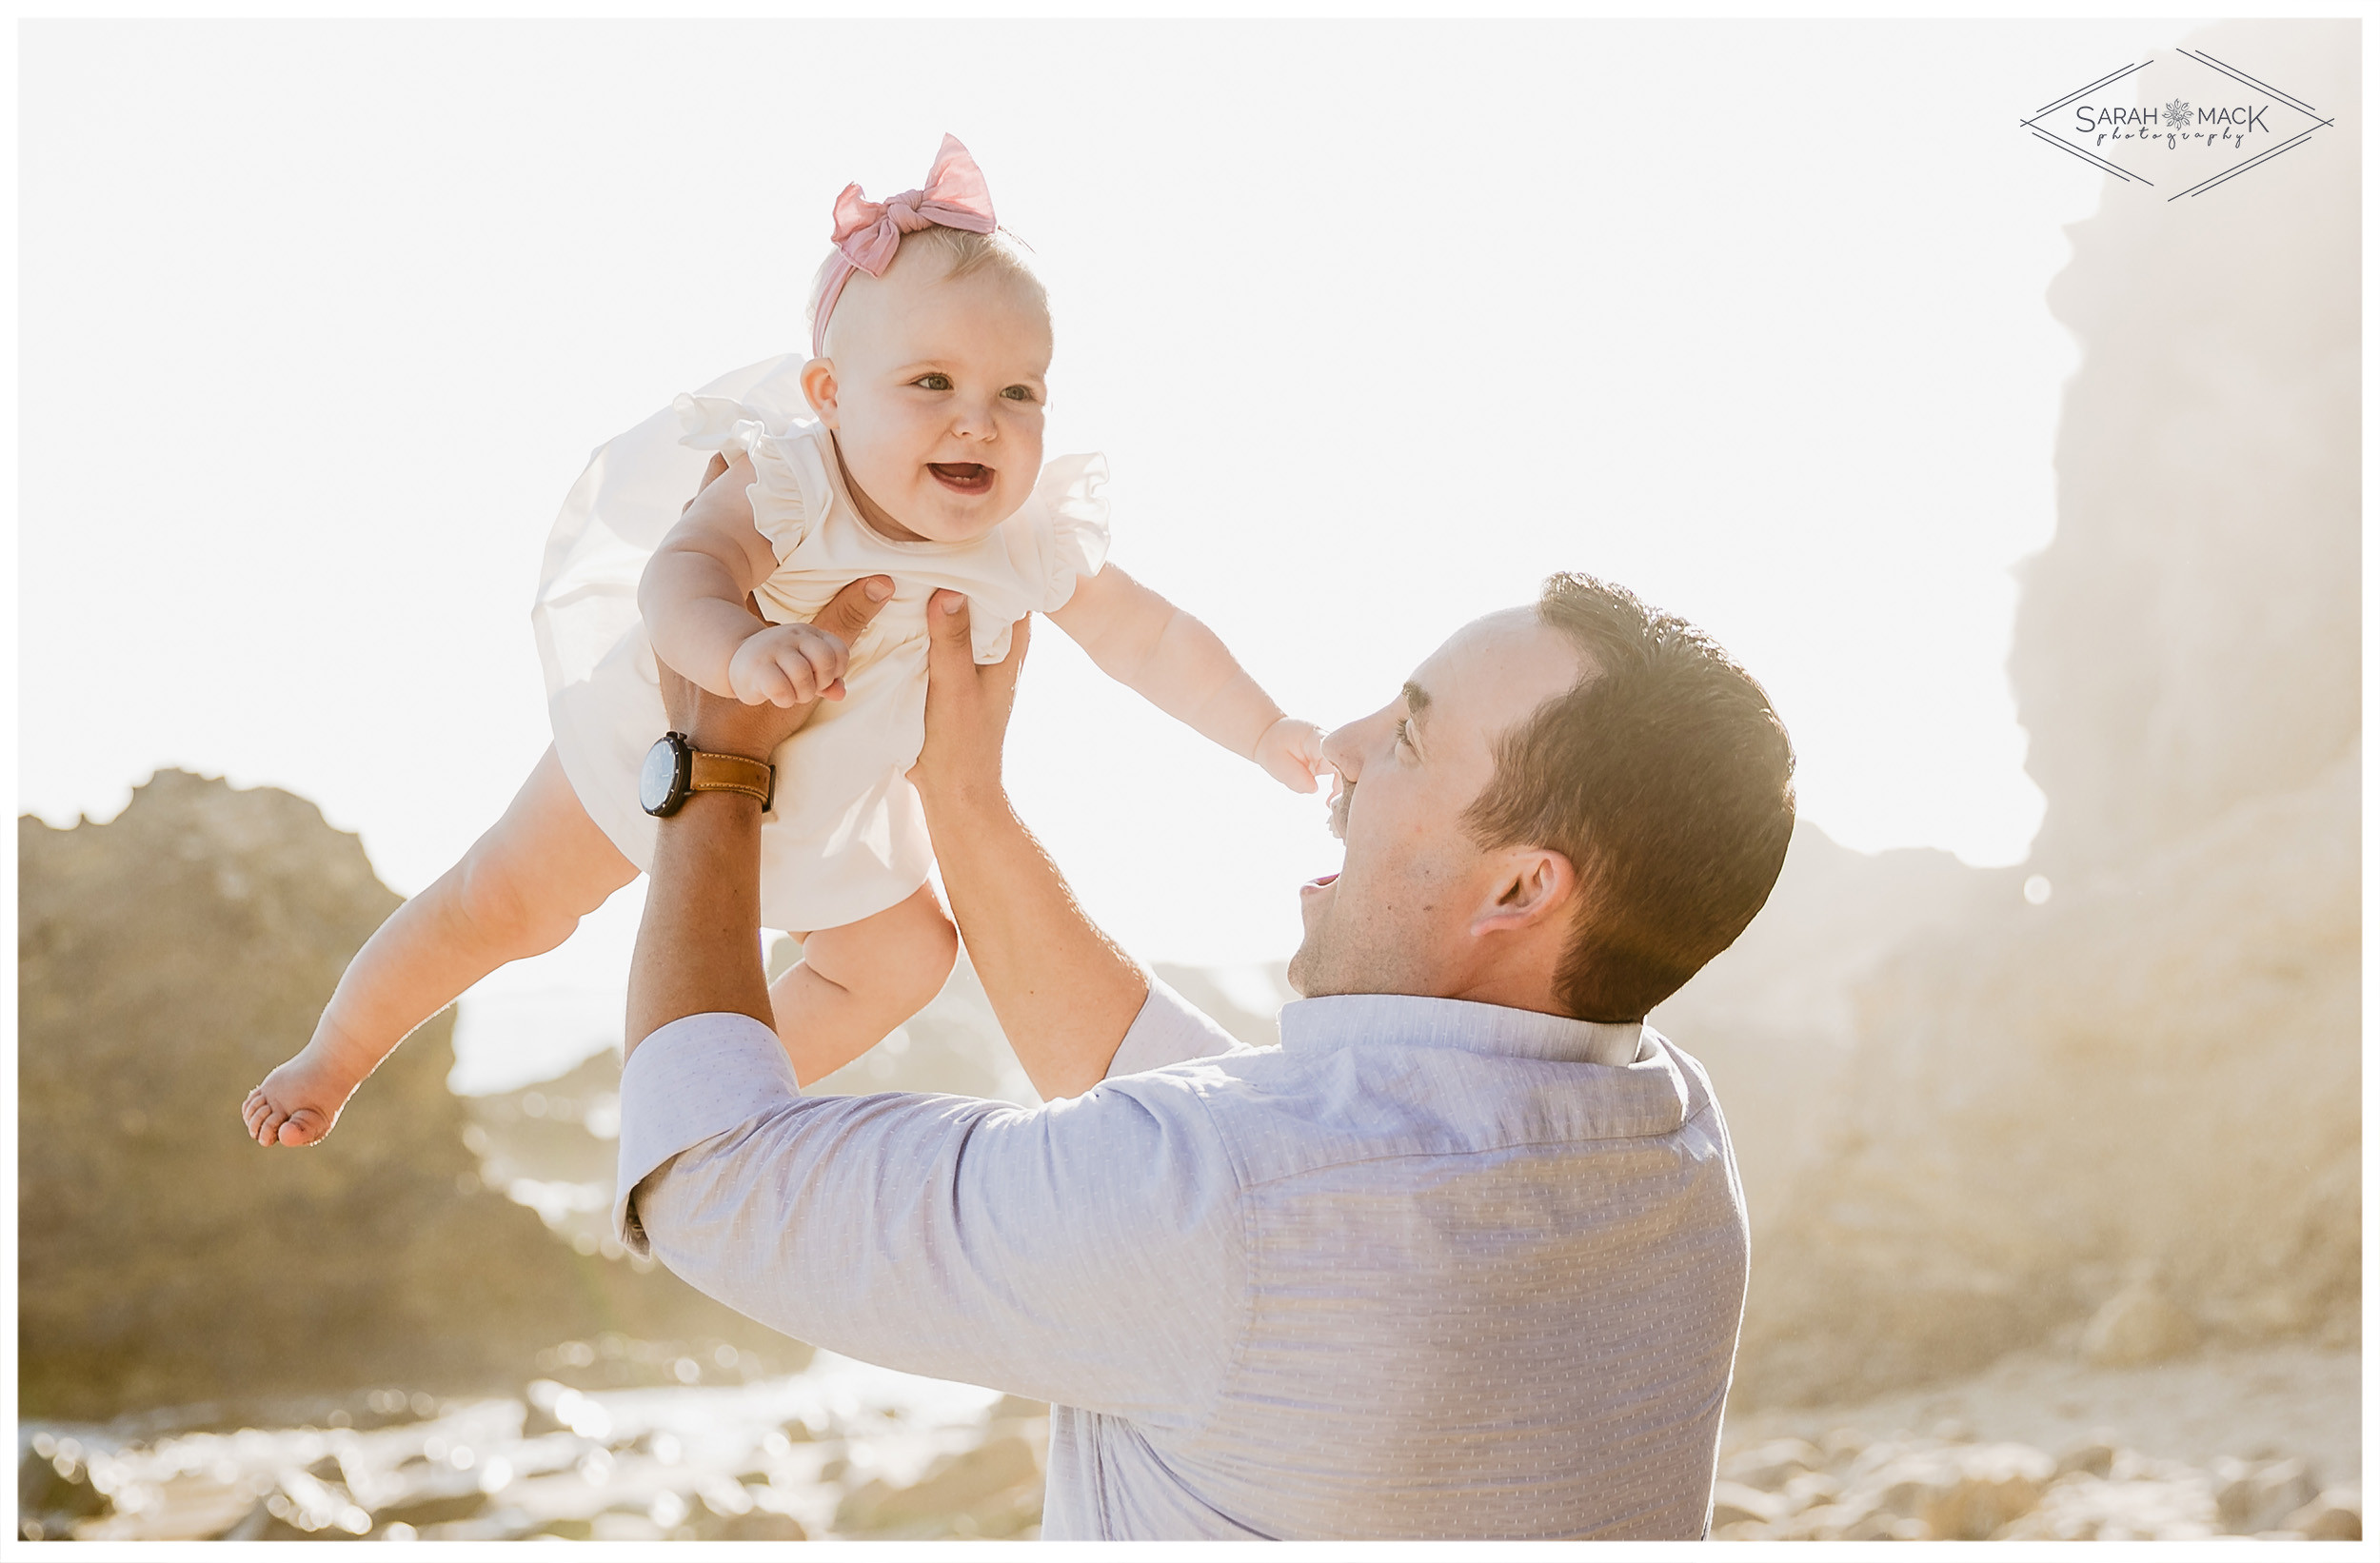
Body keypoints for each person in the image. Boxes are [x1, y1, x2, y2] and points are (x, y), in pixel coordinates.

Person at [616, 565, 1796, 1540]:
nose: (1340, 742)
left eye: (1409, 738)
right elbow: (1246, 1150)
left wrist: (713, 762)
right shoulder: (1670, 1139)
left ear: (1521, 886)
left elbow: (707, 1171)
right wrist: (962, 800)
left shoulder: (1235, 1204)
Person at [242, 135, 1322, 1149]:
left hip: (828, 812)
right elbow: (682, 573)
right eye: (930, 383)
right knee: (501, 900)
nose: (977, 422)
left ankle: (695, 1095)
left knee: (904, 957)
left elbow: (1153, 637)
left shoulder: (1020, 541)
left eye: (1017, 392)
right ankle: (333, 1055)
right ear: (828, 397)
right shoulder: (795, 483)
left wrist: (1265, 727)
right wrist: (735, 652)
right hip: (659, 748)